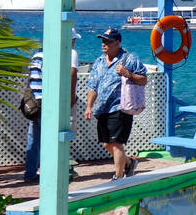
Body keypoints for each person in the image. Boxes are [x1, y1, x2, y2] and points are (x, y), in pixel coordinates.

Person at [84, 28, 148, 180]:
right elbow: (93, 86)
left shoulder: (129, 58)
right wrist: (88, 106)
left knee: (117, 143)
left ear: (118, 43)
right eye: (103, 41)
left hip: (121, 106)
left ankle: (118, 177)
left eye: (108, 41)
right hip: (103, 108)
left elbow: (144, 80)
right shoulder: (99, 61)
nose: (104, 44)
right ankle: (129, 163)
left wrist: (129, 74)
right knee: (107, 144)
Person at [23, 30, 80, 184]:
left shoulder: (37, 56)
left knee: (33, 139)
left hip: (34, 102)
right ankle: (51, 174)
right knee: (51, 140)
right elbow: (55, 79)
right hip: (47, 103)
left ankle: (30, 172)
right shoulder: (53, 56)